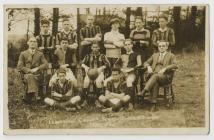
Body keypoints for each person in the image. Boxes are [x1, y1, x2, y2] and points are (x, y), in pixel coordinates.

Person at [139, 41, 177, 111]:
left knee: (155, 76)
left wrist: (165, 68)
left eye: (163, 46)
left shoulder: (171, 55)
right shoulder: (155, 55)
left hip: (165, 77)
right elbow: (145, 62)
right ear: (158, 47)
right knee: (155, 82)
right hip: (154, 76)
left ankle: (143, 92)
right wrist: (148, 67)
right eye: (160, 46)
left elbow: (175, 65)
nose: (161, 47)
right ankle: (153, 104)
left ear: (167, 47)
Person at [17, 37, 48, 104]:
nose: (32, 43)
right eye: (31, 41)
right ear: (28, 43)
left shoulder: (40, 54)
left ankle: (28, 96)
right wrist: (29, 70)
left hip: (38, 75)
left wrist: (37, 68)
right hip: (26, 75)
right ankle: (35, 96)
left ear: (36, 44)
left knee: (32, 77)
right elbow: (19, 66)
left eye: (34, 42)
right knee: (30, 76)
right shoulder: (23, 53)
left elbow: (46, 64)